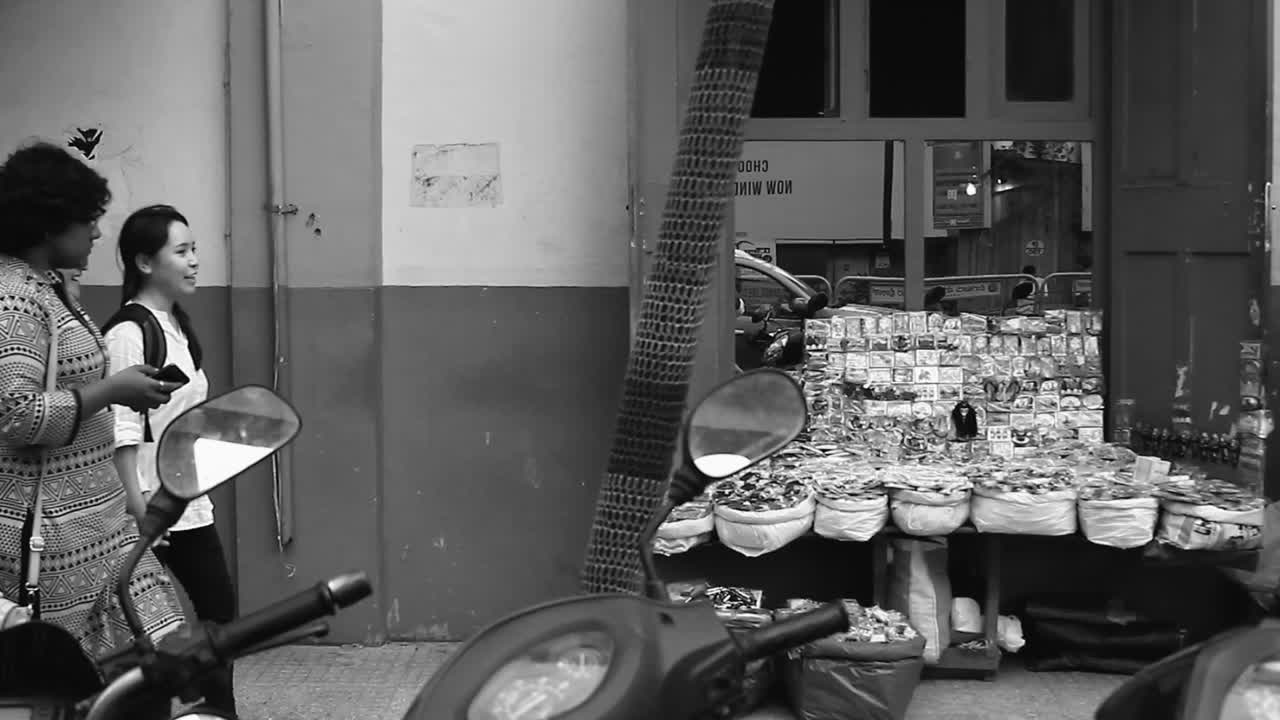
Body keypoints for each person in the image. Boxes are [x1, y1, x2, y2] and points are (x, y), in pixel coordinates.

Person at [0, 141, 184, 656]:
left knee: (161, 661)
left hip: (102, 526)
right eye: (88, 221)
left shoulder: (49, 286)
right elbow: (17, 415)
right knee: (85, 683)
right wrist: (112, 391)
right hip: (56, 539)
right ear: (47, 226)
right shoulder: (13, 297)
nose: (99, 232)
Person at [105, 204, 238, 717]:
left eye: (194, 250)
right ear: (144, 262)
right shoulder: (128, 333)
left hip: (186, 504)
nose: (195, 261)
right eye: (181, 252)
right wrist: (140, 514)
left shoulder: (175, 325)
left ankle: (215, 713)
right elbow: (120, 433)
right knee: (148, 630)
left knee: (219, 617)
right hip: (147, 512)